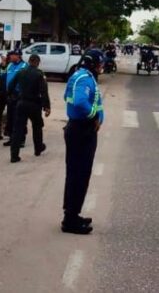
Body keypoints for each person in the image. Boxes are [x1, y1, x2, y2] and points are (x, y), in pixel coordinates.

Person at [61, 50, 104, 234]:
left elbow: (66, 97)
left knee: (76, 173)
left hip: (78, 129)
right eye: (100, 64)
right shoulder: (85, 78)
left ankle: (72, 214)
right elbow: (79, 102)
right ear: (93, 64)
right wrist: (93, 114)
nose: (102, 67)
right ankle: (70, 219)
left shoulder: (78, 75)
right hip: (82, 131)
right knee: (79, 174)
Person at [8, 54, 51, 163]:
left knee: (17, 130)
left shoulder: (20, 72)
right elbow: (44, 91)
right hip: (34, 105)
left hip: (21, 103)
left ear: (29, 61)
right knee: (37, 127)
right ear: (37, 62)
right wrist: (47, 107)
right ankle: (38, 149)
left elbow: (10, 87)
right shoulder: (39, 74)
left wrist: (14, 97)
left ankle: (14, 156)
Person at [3, 50, 27, 146]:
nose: (10, 57)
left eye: (12, 55)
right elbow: (3, 75)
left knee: (20, 118)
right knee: (10, 117)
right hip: (10, 94)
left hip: (19, 95)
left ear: (18, 56)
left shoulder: (24, 66)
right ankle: (12, 138)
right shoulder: (9, 65)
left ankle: (21, 139)